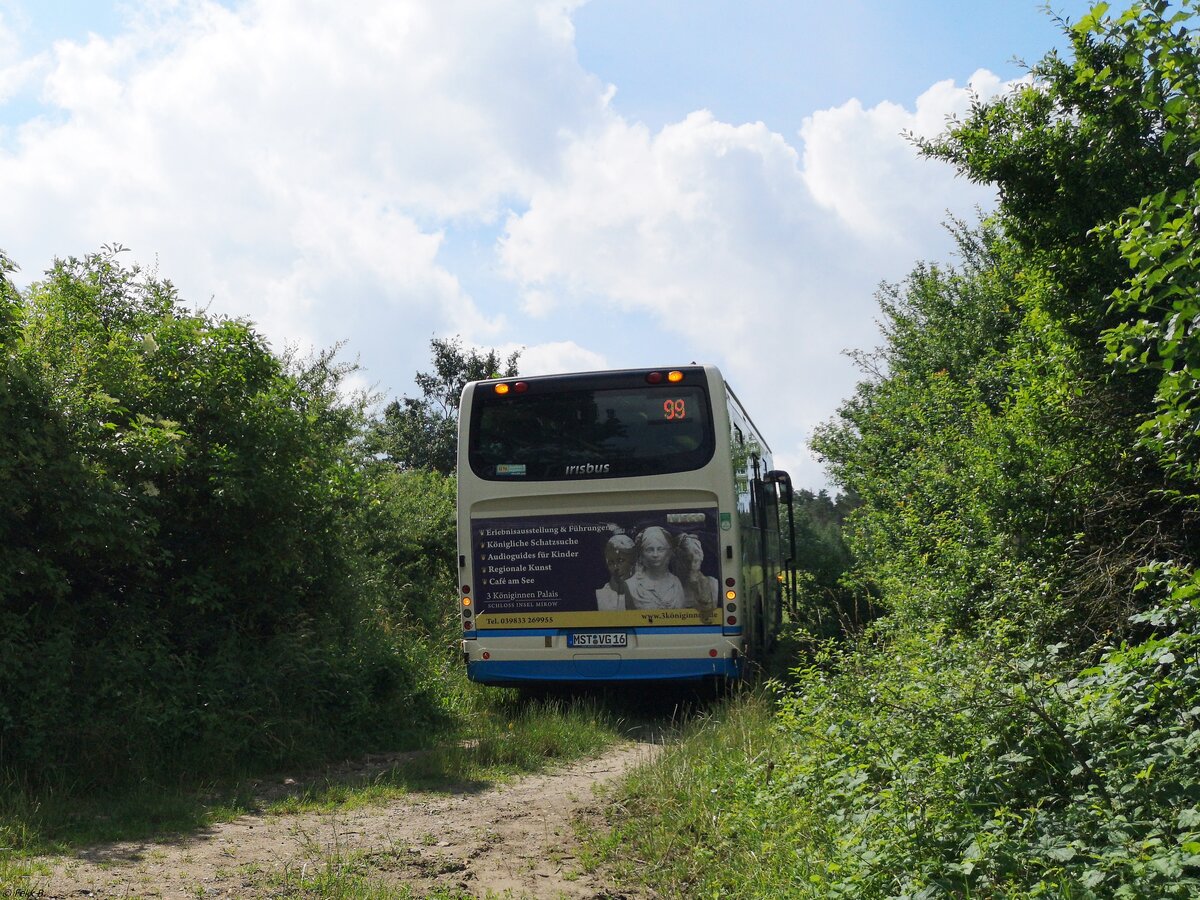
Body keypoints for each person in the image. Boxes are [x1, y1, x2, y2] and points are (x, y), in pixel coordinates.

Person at [625, 526, 685, 609]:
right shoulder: (631, 586)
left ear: (668, 552)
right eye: (650, 550)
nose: (655, 554)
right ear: (642, 553)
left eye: (660, 549)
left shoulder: (676, 583)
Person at [675, 533, 719, 616]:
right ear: (678, 560)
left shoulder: (713, 584)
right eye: (686, 560)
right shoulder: (671, 585)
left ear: (701, 557)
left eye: (695, 561)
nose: (691, 565)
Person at [595, 534, 635, 611]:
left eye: (621, 561)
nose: (616, 567)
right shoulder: (601, 595)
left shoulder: (644, 593)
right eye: (611, 562)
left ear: (632, 561)